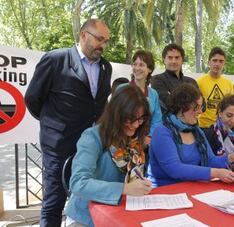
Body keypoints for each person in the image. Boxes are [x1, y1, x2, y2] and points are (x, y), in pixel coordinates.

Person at [24, 19, 112, 226]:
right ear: (83, 35)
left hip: (92, 145)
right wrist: (54, 125)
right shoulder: (55, 60)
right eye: (100, 39)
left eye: (106, 41)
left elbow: (98, 105)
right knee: (54, 202)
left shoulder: (106, 67)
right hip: (59, 145)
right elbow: (32, 99)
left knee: (86, 197)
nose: (103, 45)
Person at [65, 86, 153, 226]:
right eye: (130, 119)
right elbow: (78, 183)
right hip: (87, 217)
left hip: (122, 213)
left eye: (140, 119)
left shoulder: (134, 141)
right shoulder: (92, 137)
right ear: (116, 114)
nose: (135, 125)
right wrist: (124, 188)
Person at [147, 84, 234, 187]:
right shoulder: (162, 132)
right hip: (164, 192)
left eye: (201, 107)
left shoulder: (197, 131)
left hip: (190, 189)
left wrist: (231, 158)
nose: (200, 111)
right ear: (182, 107)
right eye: (197, 107)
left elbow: (211, 160)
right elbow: (175, 169)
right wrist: (216, 173)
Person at [118, 50, 162, 139]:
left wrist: (150, 136)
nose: (137, 68)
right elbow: (113, 115)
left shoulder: (153, 94)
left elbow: (157, 120)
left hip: (145, 140)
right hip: (122, 138)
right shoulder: (121, 89)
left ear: (149, 69)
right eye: (135, 64)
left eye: (141, 65)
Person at [151, 43, 198, 112]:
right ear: (164, 60)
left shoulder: (191, 82)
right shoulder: (157, 80)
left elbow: (202, 105)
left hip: (192, 122)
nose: (173, 61)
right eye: (170, 57)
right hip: (167, 122)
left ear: (182, 60)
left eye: (177, 57)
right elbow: (168, 103)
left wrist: (173, 96)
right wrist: (191, 101)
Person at [197, 47, 234, 128]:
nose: (217, 64)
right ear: (209, 63)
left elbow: (232, 106)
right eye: (214, 60)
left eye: (221, 61)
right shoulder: (199, 82)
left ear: (224, 63)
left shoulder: (228, 83)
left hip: (223, 127)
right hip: (203, 126)